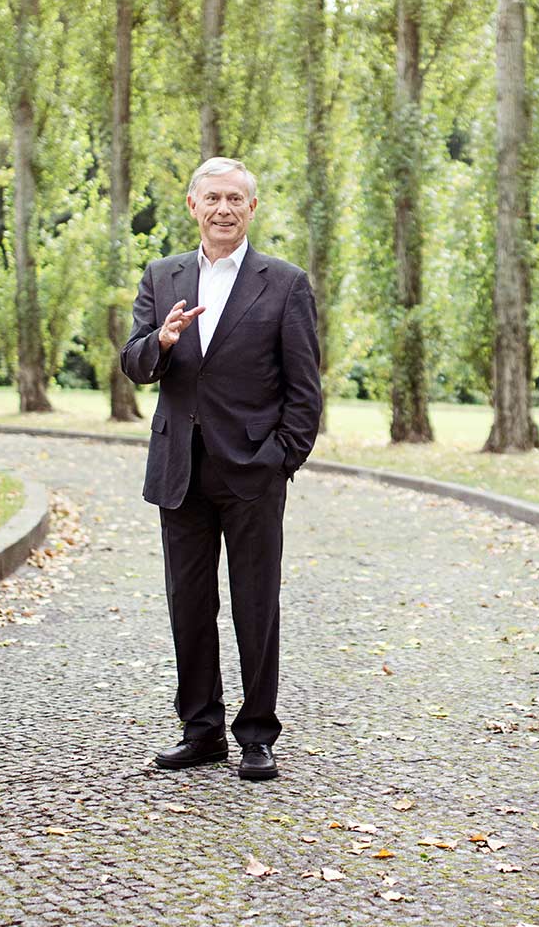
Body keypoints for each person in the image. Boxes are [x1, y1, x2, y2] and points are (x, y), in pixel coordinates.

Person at [120, 156, 321, 780]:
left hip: (251, 473)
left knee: (255, 605)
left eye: (236, 199)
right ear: (193, 205)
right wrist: (164, 342)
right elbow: (133, 363)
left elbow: (304, 390)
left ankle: (258, 734)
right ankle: (200, 729)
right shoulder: (163, 276)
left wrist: (278, 460)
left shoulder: (284, 283)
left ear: (252, 209)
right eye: (214, 199)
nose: (224, 209)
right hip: (180, 468)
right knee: (189, 603)